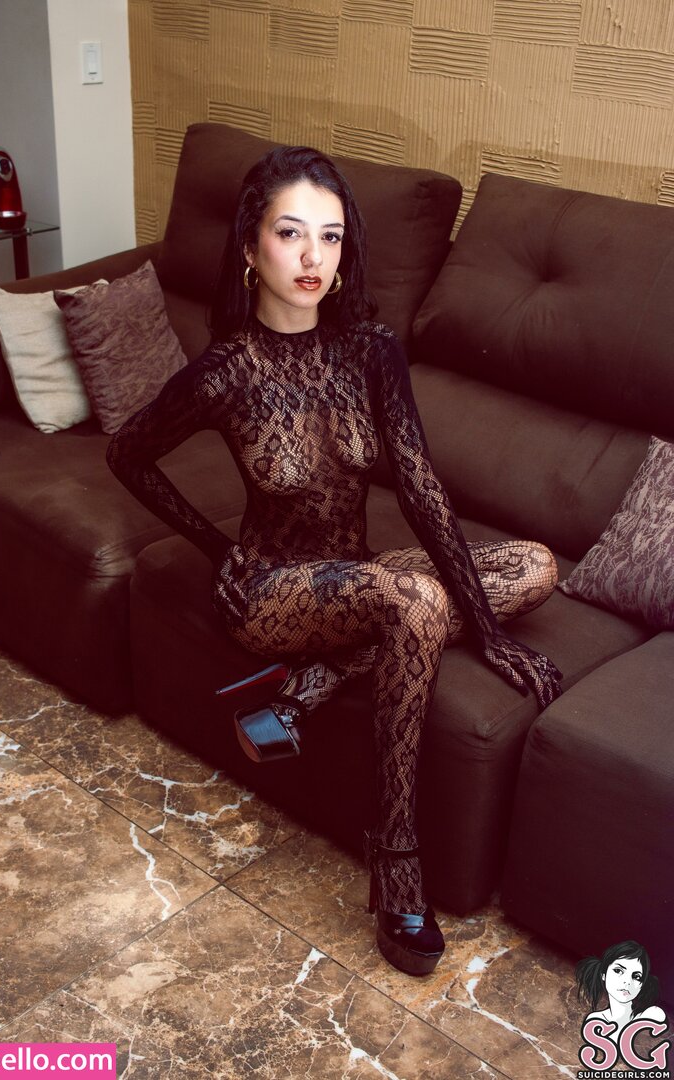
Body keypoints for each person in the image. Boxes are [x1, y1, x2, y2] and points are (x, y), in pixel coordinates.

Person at [107, 145, 562, 976]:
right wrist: (217, 549)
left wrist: (491, 629)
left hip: (358, 577)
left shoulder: (370, 350)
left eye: (331, 235)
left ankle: (311, 687)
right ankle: (396, 858)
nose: (313, 256)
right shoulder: (225, 373)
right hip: (272, 593)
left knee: (534, 565)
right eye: (291, 233)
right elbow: (127, 454)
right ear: (251, 247)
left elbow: (420, 487)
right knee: (414, 604)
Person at [576, 941, 666, 1042]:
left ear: (642, 985)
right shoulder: (595, 1020)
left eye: (636, 977)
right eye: (618, 970)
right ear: (603, 974)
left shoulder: (653, 1014)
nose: (627, 982)